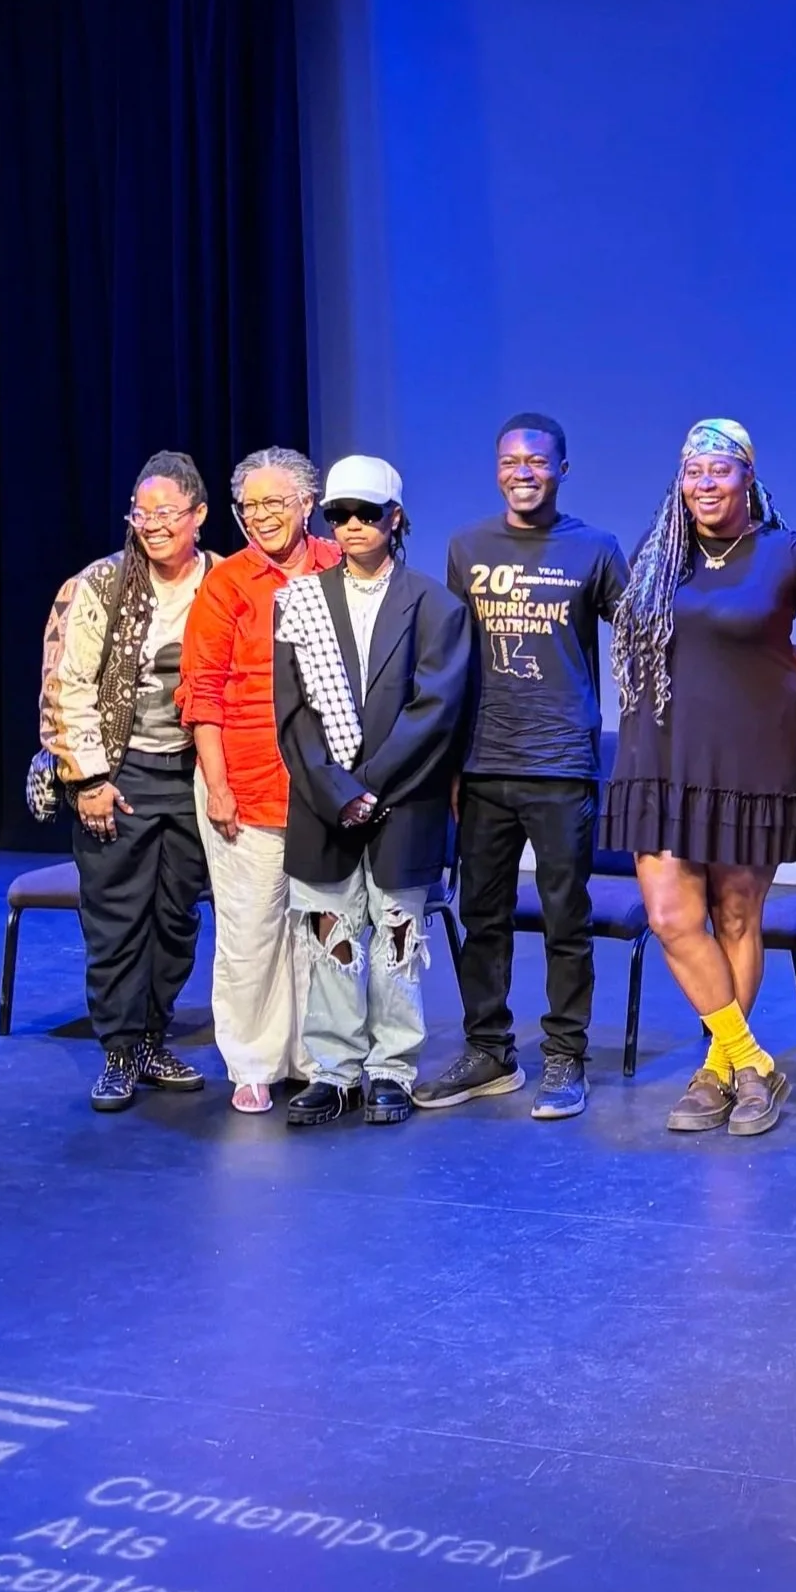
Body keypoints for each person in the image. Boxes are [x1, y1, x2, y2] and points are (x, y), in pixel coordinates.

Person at [603, 418, 796, 1138]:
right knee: (671, 917)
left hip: (752, 759)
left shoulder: (786, 552)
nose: (705, 483)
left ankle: (717, 1070)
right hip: (662, 756)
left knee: (737, 916)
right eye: (693, 471)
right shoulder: (660, 553)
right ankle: (751, 1060)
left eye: (720, 469)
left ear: (748, 477)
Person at [413, 415, 629, 1122]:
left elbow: (638, 640)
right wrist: (450, 761)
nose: (523, 472)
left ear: (563, 468)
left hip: (561, 762)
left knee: (567, 916)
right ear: (496, 469)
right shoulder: (468, 546)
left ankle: (565, 1054)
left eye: (537, 460)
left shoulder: (595, 548)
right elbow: (454, 659)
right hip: (483, 761)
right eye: (510, 461)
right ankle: (490, 1050)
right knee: (483, 916)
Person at [273, 456, 472, 1130]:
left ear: (396, 517)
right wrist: (337, 791)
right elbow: (293, 712)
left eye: (367, 512)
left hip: (402, 799)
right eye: (339, 514)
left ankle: (391, 1068)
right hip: (323, 802)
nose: (352, 524)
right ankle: (333, 1069)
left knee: (396, 936)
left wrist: (370, 786)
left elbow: (436, 710)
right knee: (330, 932)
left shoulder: (436, 606)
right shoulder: (300, 600)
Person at [42, 451, 220, 1113]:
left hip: (196, 773)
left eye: (166, 513)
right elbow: (66, 684)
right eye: (141, 514)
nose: (153, 525)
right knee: (117, 919)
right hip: (120, 772)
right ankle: (119, 1051)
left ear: (198, 515)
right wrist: (89, 778)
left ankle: (152, 1038)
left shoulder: (224, 581)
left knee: (176, 917)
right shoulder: (100, 583)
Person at [178, 446, 340, 1114]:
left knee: (324, 928)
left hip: (327, 785)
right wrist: (218, 786)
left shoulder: (340, 564)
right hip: (243, 782)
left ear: (308, 503)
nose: (261, 516)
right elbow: (202, 694)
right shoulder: (227, 583)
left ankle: (318, 1056)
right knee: (251, 929)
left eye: (275, 502)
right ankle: (252, 1061)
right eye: (249, 505)